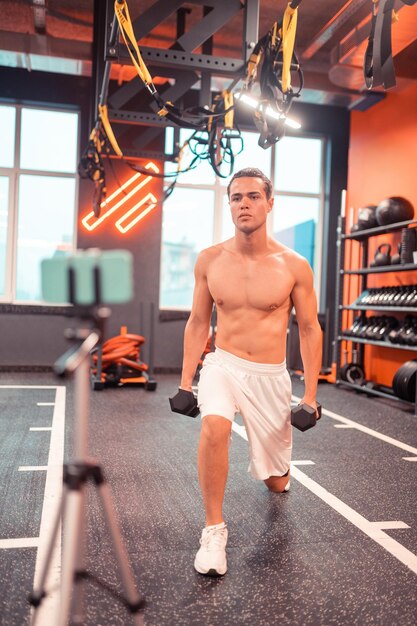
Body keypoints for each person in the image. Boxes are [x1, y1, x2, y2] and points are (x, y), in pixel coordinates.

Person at [179, 167, 322, 576]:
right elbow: (197, 322)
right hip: (223, 364)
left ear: (269, 203)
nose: (244, 203)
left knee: (276, 481)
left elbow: (310, 329)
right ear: (229, 204)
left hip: (269, 376)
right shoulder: (209, 260)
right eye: (237, 197)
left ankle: (277, 470)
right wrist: (186, 382)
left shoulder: (293, 265)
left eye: (253, 196)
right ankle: (213, 530)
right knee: (214, 428)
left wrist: (310, 397)